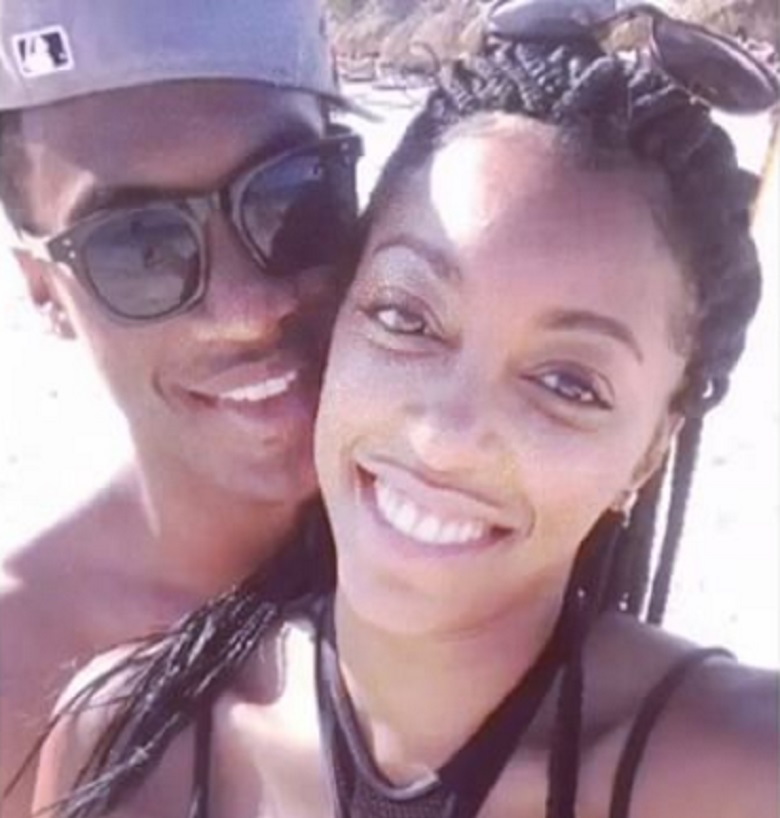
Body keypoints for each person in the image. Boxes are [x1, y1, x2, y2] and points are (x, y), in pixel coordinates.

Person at [32, 3, 780, 817]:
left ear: (650, 452)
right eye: (405, 318)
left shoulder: (739, 775)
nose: (445, 435)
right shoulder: (127, 742)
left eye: (567, 383)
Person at [0, 1, 362, 815]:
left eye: (292, 199)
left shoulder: (517, 543)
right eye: (138, 248)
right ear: (43, 290)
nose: (246, 309)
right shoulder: (15, 675)